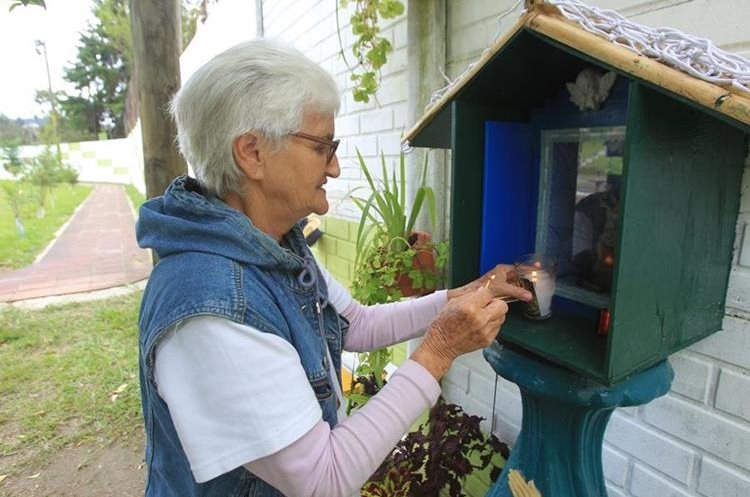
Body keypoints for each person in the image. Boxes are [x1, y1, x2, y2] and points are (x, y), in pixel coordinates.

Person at [136, 39, 531, 497]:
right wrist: (438, 352)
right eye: (323, 146)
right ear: (252, 153)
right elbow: (323, 479)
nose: (337, 167)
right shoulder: (213, 312)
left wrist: (467, 293)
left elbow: (355, 323)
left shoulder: (271, 245)